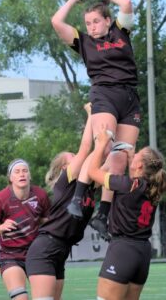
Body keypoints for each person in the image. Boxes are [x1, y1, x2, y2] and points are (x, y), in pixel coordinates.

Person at [51, 0, 140, 239]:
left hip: (129, 97)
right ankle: (77, 198)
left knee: (120, 159)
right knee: (103, 143)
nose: (91, 27)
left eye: (96, 21)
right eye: (88, 23)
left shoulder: (121, 31)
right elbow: (56, 22)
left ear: (107, 21)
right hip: (104, 95)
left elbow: (126, 2)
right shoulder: (83, 41)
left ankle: (103, 215)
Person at [86, 124, 166, 300]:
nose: (134, 152)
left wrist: (101, 144)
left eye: (138, 152)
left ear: (139, 165)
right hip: (142, 253)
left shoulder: (128, 185)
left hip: (123, 250)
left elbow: (92, 172)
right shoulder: (151, 187)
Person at [26, 103, 95, 300]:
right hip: (45, 250)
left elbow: (100, 157)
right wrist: (90, 115)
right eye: (72, 157)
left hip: (61, 251)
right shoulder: (65, 182)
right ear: (64, 167)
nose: (77, 158)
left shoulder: (87, 185)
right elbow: (86, 148)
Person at [0, 159, 50, 300]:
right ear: (10, 178)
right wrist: (1, 227)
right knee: (21, 297)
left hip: (37, 254)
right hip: (11, 256)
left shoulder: (40, 195)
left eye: (25, 171)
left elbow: (48, 221)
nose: (22, 174)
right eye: (17, 171)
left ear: (30, 176)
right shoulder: (1, 198)